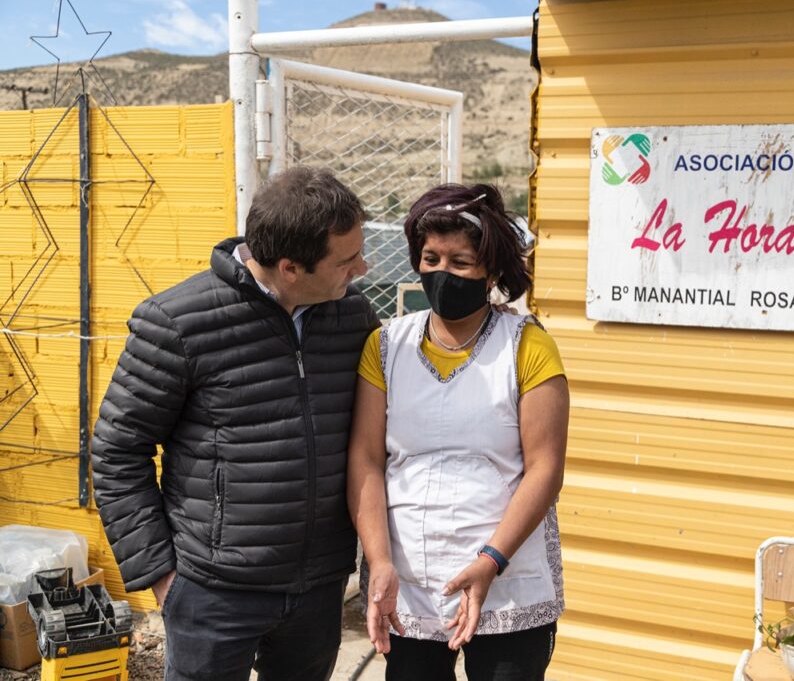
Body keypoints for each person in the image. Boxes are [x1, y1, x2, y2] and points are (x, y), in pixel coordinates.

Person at [90, 166, 377, 681]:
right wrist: (163, 577)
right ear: (290, 267)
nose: (362, 267)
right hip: (212, 594)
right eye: (347, 259)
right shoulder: (177, 322)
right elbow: (116, 451)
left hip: (318, 588)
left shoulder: (351, 316)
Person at [348, 183, 570, 681]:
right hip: (411, 584)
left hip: (508, 580)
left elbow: (545, 469)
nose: (442, 273)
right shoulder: (385, 346)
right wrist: (379, 561)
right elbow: (366, 460)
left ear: (490, 271)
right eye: (431, 258)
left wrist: (491, 560)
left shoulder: (527, 348)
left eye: (461, 262)